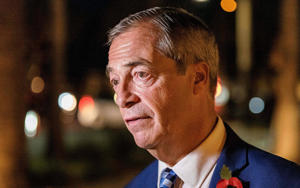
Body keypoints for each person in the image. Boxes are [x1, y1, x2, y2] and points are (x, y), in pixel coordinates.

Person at [106, 7, 300, 188]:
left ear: (198, 78)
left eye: (141, 74)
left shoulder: (284, 181)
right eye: (115, 81)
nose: (122, 99)